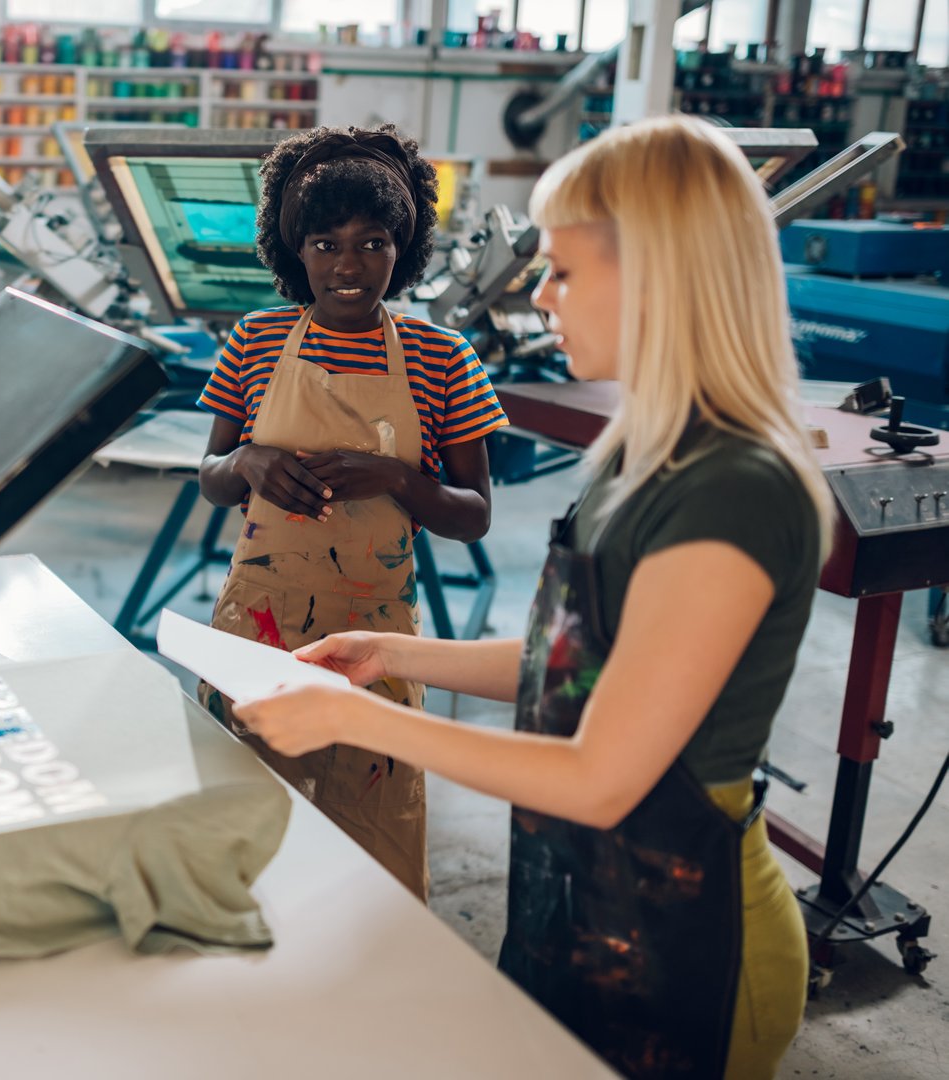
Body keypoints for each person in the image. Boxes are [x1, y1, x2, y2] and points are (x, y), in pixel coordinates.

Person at [233, 116, 826, 1079]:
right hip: (588, 904)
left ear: (663, 275)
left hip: (690, 943)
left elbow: (602, 773)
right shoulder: (646, 454)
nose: (542, 296)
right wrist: (385, 656)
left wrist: (362, 721)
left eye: (564, 271)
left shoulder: (733, 489)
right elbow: (587, 663)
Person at [194, 125, 508, 899]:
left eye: (372, 243)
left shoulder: (443, 358)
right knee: (243, 831)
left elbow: (473, 517)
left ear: (403, 248)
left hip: (377, 641)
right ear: (293, 250)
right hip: (257, 629)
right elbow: (211, 479)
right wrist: (247, 463)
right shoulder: (255, 342)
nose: (348, 265)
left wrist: (399, 478)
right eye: (326, 243)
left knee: (375, 850)